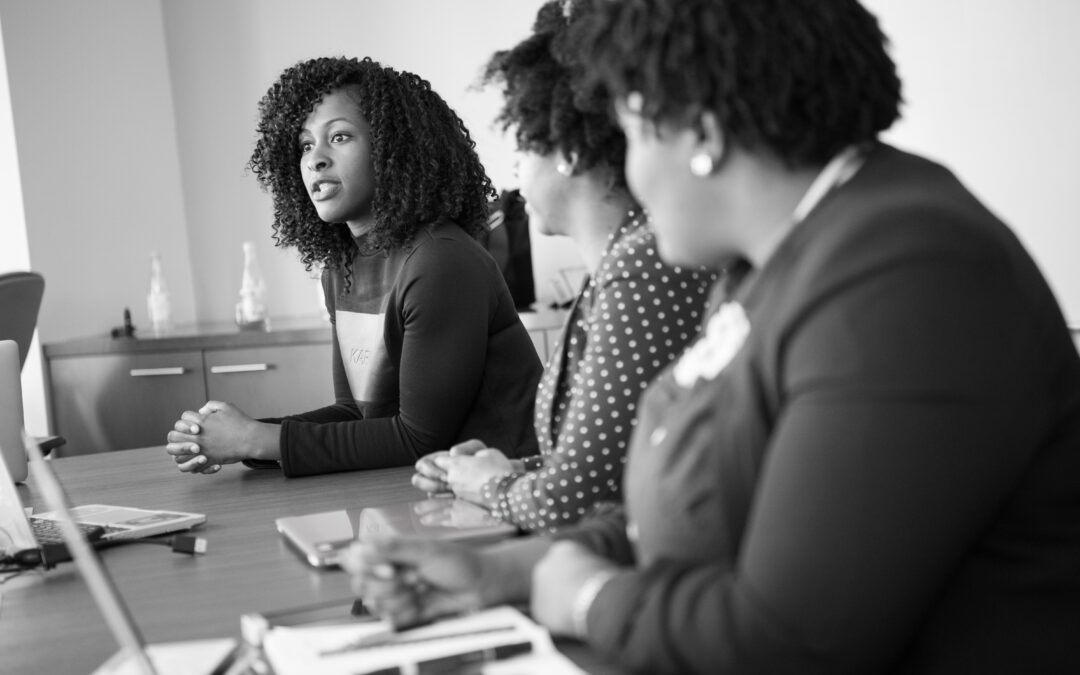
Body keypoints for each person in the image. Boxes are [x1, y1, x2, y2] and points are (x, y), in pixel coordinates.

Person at [345, 1, 1080, 673]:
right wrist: (507, 572)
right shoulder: (764, 267)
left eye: (631, 134)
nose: (628, 172)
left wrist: (589, 598)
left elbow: (792, 642)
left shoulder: (908, 273)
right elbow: (687, 512)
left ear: (700, 131)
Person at [410, 1, 717, 533]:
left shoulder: (642, 266)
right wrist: (507, 470)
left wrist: (487, 486)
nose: (514, 168)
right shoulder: (622, 263)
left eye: (524, 143)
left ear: (568, 150)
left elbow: (574, 503)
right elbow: (608, 465)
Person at [164, 57, 542, 478]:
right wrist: (240, 438)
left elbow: (420, 438)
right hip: (423, 485)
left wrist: (259, 439)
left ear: (393, 147)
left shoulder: (440, 260)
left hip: (507, 492)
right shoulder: (340, 268)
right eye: (306, 145)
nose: (314, 160)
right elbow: (357, 413)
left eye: (339, 136)